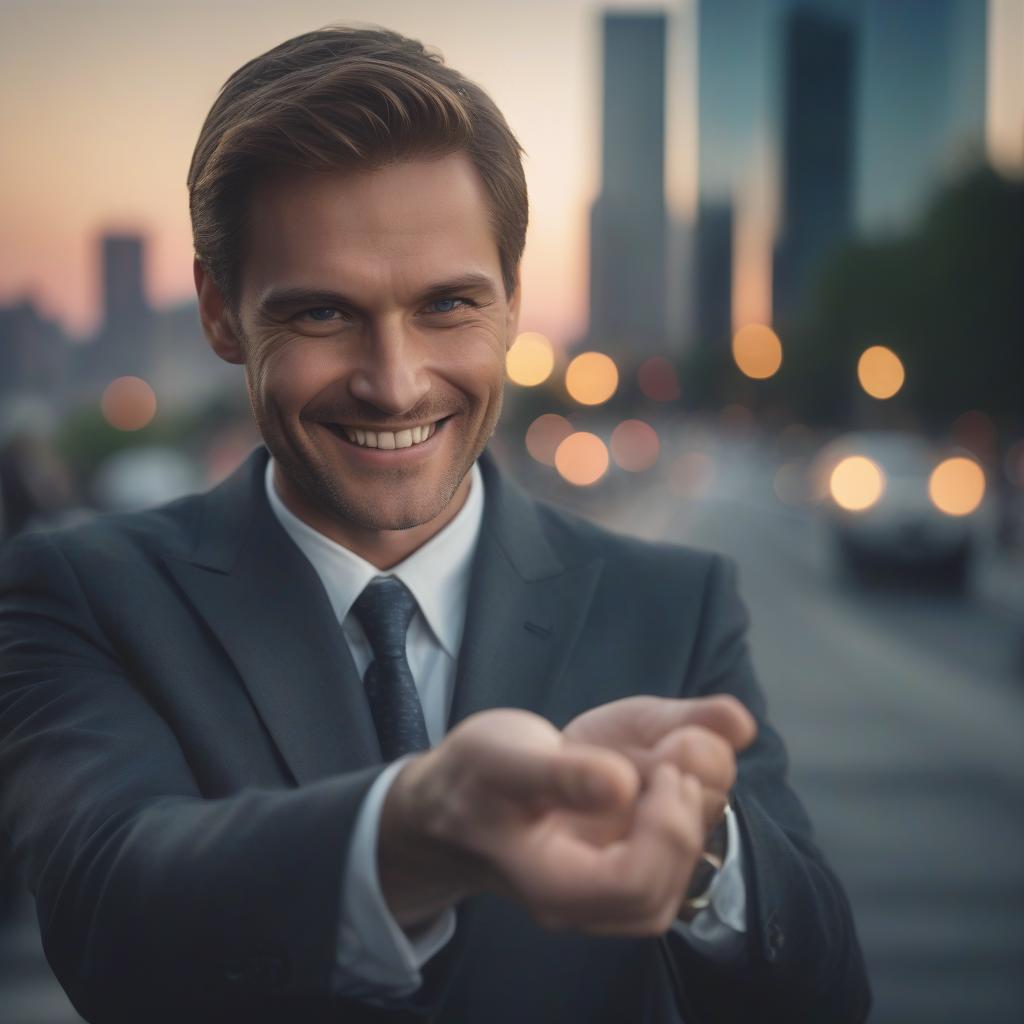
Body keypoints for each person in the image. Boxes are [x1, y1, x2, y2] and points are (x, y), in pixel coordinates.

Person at [0, 26, 870, 1024]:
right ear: (220, 311)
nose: (395, 382)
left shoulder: (676, 604)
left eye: (448, 304)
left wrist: (701, 847)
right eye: (323, 314)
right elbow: (113, 908)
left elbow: (824, 992)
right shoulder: (78, 594)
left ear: (512, 302)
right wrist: (415, 831)